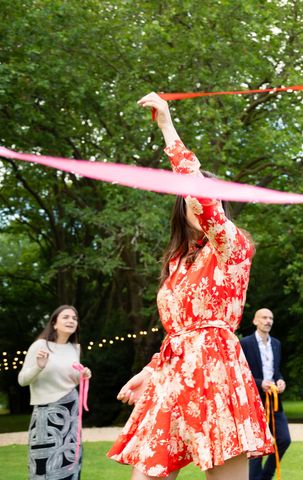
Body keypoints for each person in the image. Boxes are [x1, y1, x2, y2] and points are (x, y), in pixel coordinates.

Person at [107, 93, 273, 480]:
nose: (196, 202)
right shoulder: (176, 263)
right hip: (173, 379)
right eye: (188, 198)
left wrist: (167, 126)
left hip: (217, 373)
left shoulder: (233, 246)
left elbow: (203, 199)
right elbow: (178, 332)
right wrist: (151, 371)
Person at [18, 304, 91, 480]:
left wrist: (84, 375)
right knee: (44, 465)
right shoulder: (40, 346)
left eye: (74, 318)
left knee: (70, 459)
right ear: (54, 323)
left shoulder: (75, 348)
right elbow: (22, 380)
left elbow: (71, 379)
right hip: (46, 414)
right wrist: (38, 366)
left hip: (70, 412)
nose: (71, 321)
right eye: (66, 317)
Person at [240, 308, 292, 480]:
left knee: (284, 439)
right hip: (254, 401)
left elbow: (275, 371)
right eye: (264, 317)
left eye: (271, 318)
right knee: (256, 446)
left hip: (275, 401)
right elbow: (241, 373)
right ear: (255, 321)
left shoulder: (276, 344)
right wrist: (259, 383)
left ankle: (265, 476)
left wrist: (280, 380)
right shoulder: (245, 343)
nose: (268, 321)